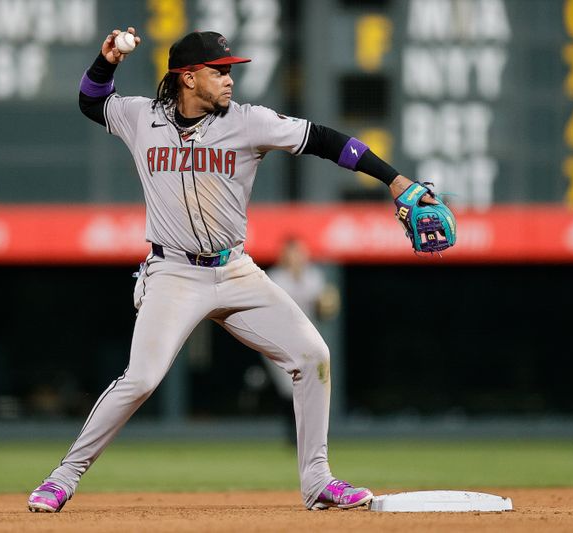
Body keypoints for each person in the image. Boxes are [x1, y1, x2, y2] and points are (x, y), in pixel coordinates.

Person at [27, 27, 432, 513]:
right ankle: (62, 478)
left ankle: (318, 481)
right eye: (219, 72)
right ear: (188, 77)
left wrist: (394, 180)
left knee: (312, 356)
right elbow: (92, 102)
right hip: (173, 273)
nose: (229, 80)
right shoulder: (142, 118)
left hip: (236, 271)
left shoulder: (249, 122)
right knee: (142, 378)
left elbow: (325, 140)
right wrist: (106, 59)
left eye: (230, 71)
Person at [265, 238, 340, 445]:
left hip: (308, 339)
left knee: (315, 386)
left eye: (300, 252)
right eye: (293, 253)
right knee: (289, 389)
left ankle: (315, 436)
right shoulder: (275, 277)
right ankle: (293, 436)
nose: (298, 257)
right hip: (280, 340)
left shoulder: (314, 276)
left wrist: (326, 304)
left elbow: (323, 310)